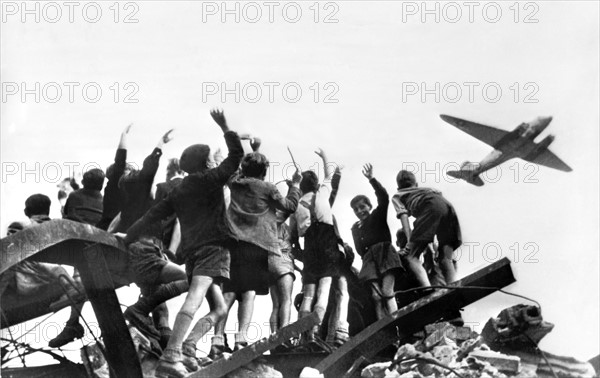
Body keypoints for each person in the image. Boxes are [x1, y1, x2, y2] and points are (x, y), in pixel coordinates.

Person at [124, 108, 244, 377]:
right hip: (213, 249)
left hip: (192, 254)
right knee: (194, 299)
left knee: (219, 308)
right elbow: (236, 157)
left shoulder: (179, 191)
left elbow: (150, 216)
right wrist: (225, 125)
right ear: (206, 163)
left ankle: (188, 347)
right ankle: (172, 355)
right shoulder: (210, 180)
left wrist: (127, 237)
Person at [211, 151, 301, 357]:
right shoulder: (268, 188)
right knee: (248, 293)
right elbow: (290, 206)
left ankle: (217, 340)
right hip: (257, 245)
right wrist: (295, 185)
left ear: (243, 168)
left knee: (229, 291)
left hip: (233, 244)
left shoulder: (235, 183)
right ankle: (241, 339)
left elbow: (228, 171)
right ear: (264, 171)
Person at [292, 148, 347, 347]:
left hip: (309, 246)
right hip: (326, 243)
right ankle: (315, 332)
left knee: (308, 295)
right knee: (323, 292)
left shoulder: (296, 205)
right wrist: (324, 156)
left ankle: (303, 336)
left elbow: (293, 236)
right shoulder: (323, 193)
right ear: (315, 184)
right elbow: (329, 175)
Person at [350, 163, 404, 320]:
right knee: (376, 296)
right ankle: (383, 329)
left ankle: (397, 323)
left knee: (387, 292)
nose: (360, 211)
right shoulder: (355, 228)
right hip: (368, 260)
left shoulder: (377, 215)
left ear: (369, 206)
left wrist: (371, 179)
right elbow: (359, 249)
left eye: (362, 207)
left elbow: (383, 197)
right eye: (356, 209)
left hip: (385, 254)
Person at [391, 170, 462, 288]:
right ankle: (454, 285)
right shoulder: (427, 189)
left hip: (430, 206)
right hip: (447, 207)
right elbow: (439, 203)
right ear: (416, 184)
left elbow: (404, 218)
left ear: (398, 187)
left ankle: (427, 289)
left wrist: (409, 242)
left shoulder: (398, 196)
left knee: (411, 256)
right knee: (445, 255)